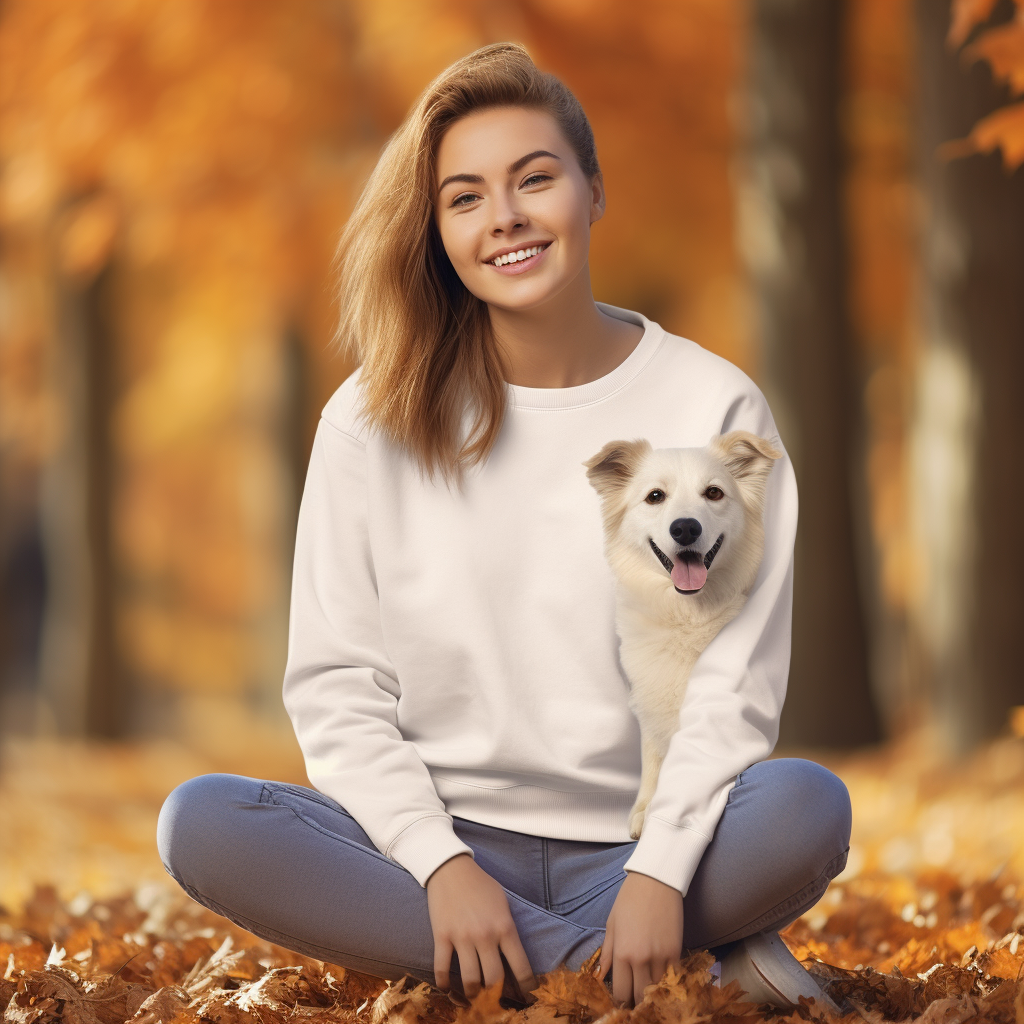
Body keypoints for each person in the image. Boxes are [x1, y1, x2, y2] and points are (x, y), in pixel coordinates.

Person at [156, 42, 852, 1011]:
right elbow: (335, 689)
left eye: (535, 179)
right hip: (427, 861)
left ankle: (552, 962)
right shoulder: (370, 421)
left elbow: (736, 682)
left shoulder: (712, 402)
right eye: (465, 197)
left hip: (645, 847)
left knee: (807, 807)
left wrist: (658, 871)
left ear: (594, 191)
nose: (506, 218)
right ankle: (636, 969)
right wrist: (441, 866)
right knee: (201, 821)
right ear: (437, 229)